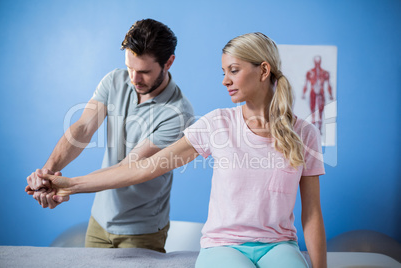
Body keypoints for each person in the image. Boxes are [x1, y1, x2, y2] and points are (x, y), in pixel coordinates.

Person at [28, 32, 327, 267]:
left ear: (263, 70)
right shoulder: (216, 124)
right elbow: (143, 167)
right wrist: (71, 184)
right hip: (224, 245)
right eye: (223, 71)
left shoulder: (305, 134)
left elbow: (311, 214)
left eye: (233, 70)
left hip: (279, 246)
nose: (225, 80)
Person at [25, 19, 194, 252]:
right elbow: (83, 128)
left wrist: (68, 187)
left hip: (141, 231)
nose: (134, 79)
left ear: (168, 62)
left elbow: (130, 168)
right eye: (130, 68)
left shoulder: (179, 114)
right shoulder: (115, 80)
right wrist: (47, 173)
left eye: (144, 72)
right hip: (99, 221)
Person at [302, 55, 334, 133]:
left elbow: (328, 85)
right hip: (313, 92)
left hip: (321, 92)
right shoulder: (310, 73)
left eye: (318, 62)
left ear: (320, 62)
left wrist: (330, 95)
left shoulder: (325, 73)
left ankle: (319, 129)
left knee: (320, 111)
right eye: (316, 62)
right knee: (313, 110)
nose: (317, 64)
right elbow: (306, 84)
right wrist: (303, 94)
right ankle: (313, 129)